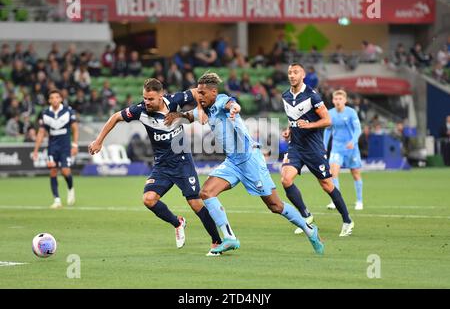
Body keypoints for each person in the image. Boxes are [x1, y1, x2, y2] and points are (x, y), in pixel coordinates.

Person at [165, 72, 324, 255]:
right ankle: (230, 238)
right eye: (198, 93)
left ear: (213, 92)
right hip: (233, 162)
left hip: (249, 159)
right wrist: (174, 116)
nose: (199, 97)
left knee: (275, 205)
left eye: (202, 93)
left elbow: (231, 103)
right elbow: (189, 116)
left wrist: (235, 108)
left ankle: (310, 230)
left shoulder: (221, 101)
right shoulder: (206, 109)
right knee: (206, 193)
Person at [88, 78, 225, 255]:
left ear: (161, 96)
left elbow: (197, 92)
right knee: (149, 199)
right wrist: (99, 141)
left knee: (195, 202)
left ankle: (216, 241)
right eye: (145, 98)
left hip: (182, 161)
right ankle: (178, 223)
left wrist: (200, 109)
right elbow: (115, 117)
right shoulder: (140, 111)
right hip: (162, 165)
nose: (146, 102)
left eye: (150, 99)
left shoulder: (174, 100)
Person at [280, 63, 354, 237]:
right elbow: (294, 118)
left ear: (303, 75)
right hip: (296, 147)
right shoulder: (285, 96)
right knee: (285, 179)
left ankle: (347, 220)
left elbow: (327, 120)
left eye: (295, 72)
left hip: (313, 148)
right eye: (290, 72)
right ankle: (306, 217)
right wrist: (289, 130)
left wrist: (309, 125)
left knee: (327, 185)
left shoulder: (312, 96)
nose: (292, 75)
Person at [32, 89, 78, 209]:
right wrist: (36, 149)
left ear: (61, 99)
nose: (54, 100)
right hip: (52, 147)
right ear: (49, 100)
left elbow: (75, 128)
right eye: (52, 98)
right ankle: (57, 200)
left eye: (57, 97)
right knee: (53, 171)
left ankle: (70, 188)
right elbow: (41, 132)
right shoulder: (45, 113)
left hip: (65, 146)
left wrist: (75, 145)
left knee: (65, 171)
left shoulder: (68, 111)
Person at [324, 90, 364, 211]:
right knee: (333, 173)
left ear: (345, 101)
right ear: (332, 100)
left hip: (351, 148)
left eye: (340, 99)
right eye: (335, 99)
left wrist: (354, 141)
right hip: (337, 148)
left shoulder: (351, 112)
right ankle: (335, 201)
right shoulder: (330, 113)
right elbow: (328, 130)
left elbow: (358, 129)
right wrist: (324, 145)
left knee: (356, 174)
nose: (338, 101)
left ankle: (359, 201)